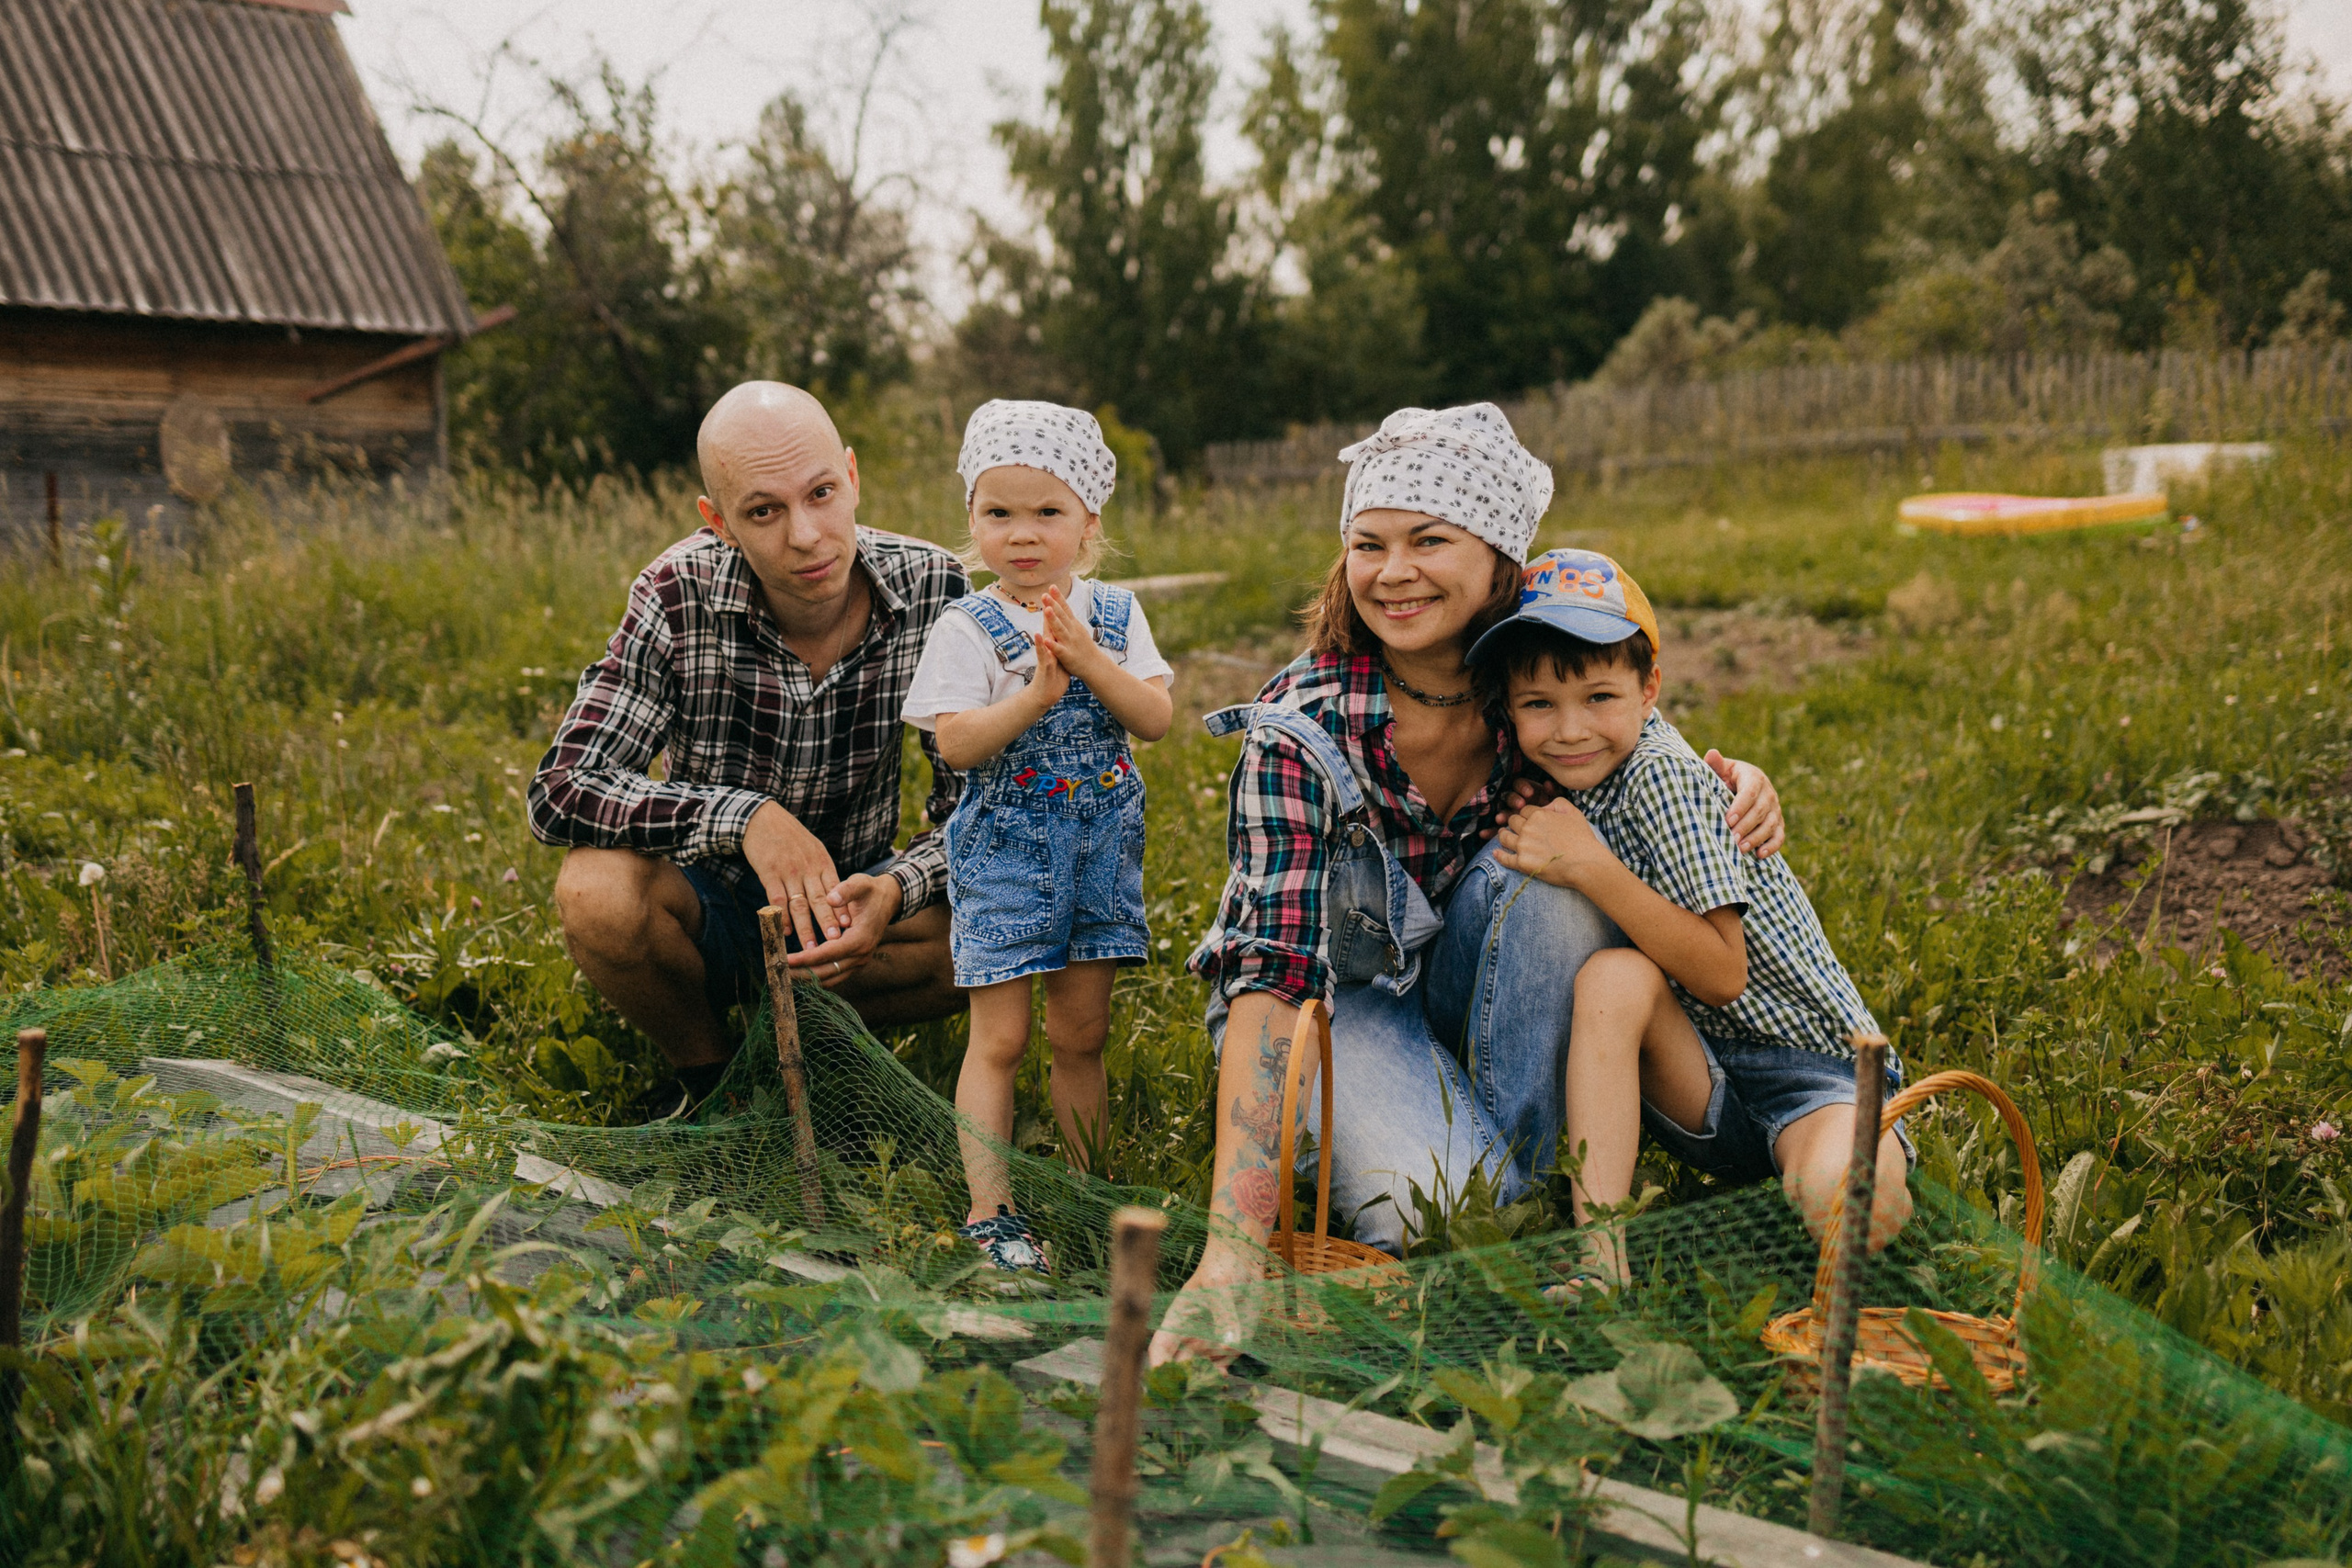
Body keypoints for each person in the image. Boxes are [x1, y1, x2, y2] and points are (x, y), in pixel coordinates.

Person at [1152, 403, 1786, 1364]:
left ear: (1499, 561)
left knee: (1567, 871)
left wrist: (1735, 783)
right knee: (1453, 1217)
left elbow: (1639, 745)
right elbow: (1272, 980)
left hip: (1472, 987)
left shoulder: (1535, 697)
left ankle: (1529, 1173)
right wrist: (1231, 1252)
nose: (1392, 571)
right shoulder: (1300, 728)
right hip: (1338, 1008)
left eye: (1428, 540)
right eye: (1368, 544)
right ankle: (1498, 1190)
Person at [528, 382, 968, 1120]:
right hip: (710, 909)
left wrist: (896, 888)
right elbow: (563, 787)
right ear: (719, 521)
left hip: (855, 910)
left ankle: (813, 1037)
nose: (805, 534)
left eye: (822, 492)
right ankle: (713, 1079)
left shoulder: (934, 588)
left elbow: (980, 803)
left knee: (1003, 927)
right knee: (595, 893)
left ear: (853, 477)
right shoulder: (676, 592)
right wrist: (745, 817)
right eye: (764, 510)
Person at [1479, 548, 1911, 1288]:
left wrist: (1589, 866)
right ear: (1509, 705)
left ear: (1650, 689)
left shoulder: (1662, 779)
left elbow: (1723, 972)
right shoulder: (1565, 779)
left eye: (1599, 697)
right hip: (1704, 1079)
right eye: (1539, 705)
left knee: (1849, 1206)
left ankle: (1836, 1171)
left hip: (1813, 1075)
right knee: (1614, 978)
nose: (1570, 729)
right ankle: (1600, 1262)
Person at [901, 401, 1174, 1273]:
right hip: (1009, 851)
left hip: (1100, 847)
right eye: (998, 513)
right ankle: (993, 1207)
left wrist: (1089, 659)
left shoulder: (1119, 616)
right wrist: (1032, 697)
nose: (1022, 534)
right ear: (974, 522)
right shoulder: (967, 625)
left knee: (1081, 1032)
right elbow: (953, 743)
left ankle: (1088, 1189)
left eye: (1047, 512)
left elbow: (1155, 717)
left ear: (1088, 522)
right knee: (1002, 1037)